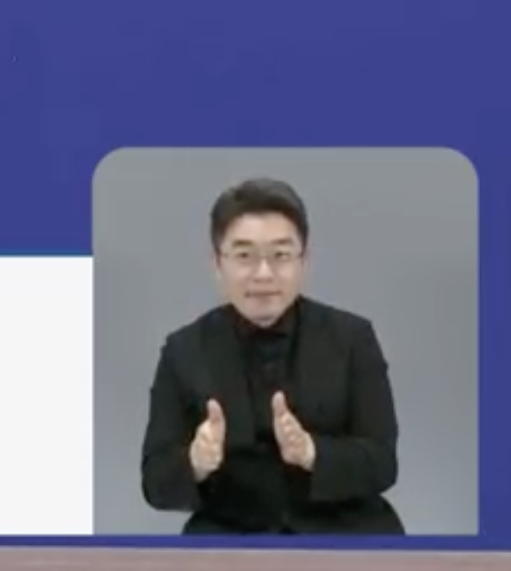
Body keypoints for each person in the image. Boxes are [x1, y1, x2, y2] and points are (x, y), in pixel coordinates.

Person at [137, 177, 402, 535]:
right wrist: (195, 462)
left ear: (304, 262)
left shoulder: (353, 338)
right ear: (217, 264)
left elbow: (384, 463)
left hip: (346, 532)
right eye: (244, 256)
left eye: (280, 256)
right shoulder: (182, 350)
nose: (263, 273)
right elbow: (155, 481)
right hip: (230, 535)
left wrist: (311, 452)